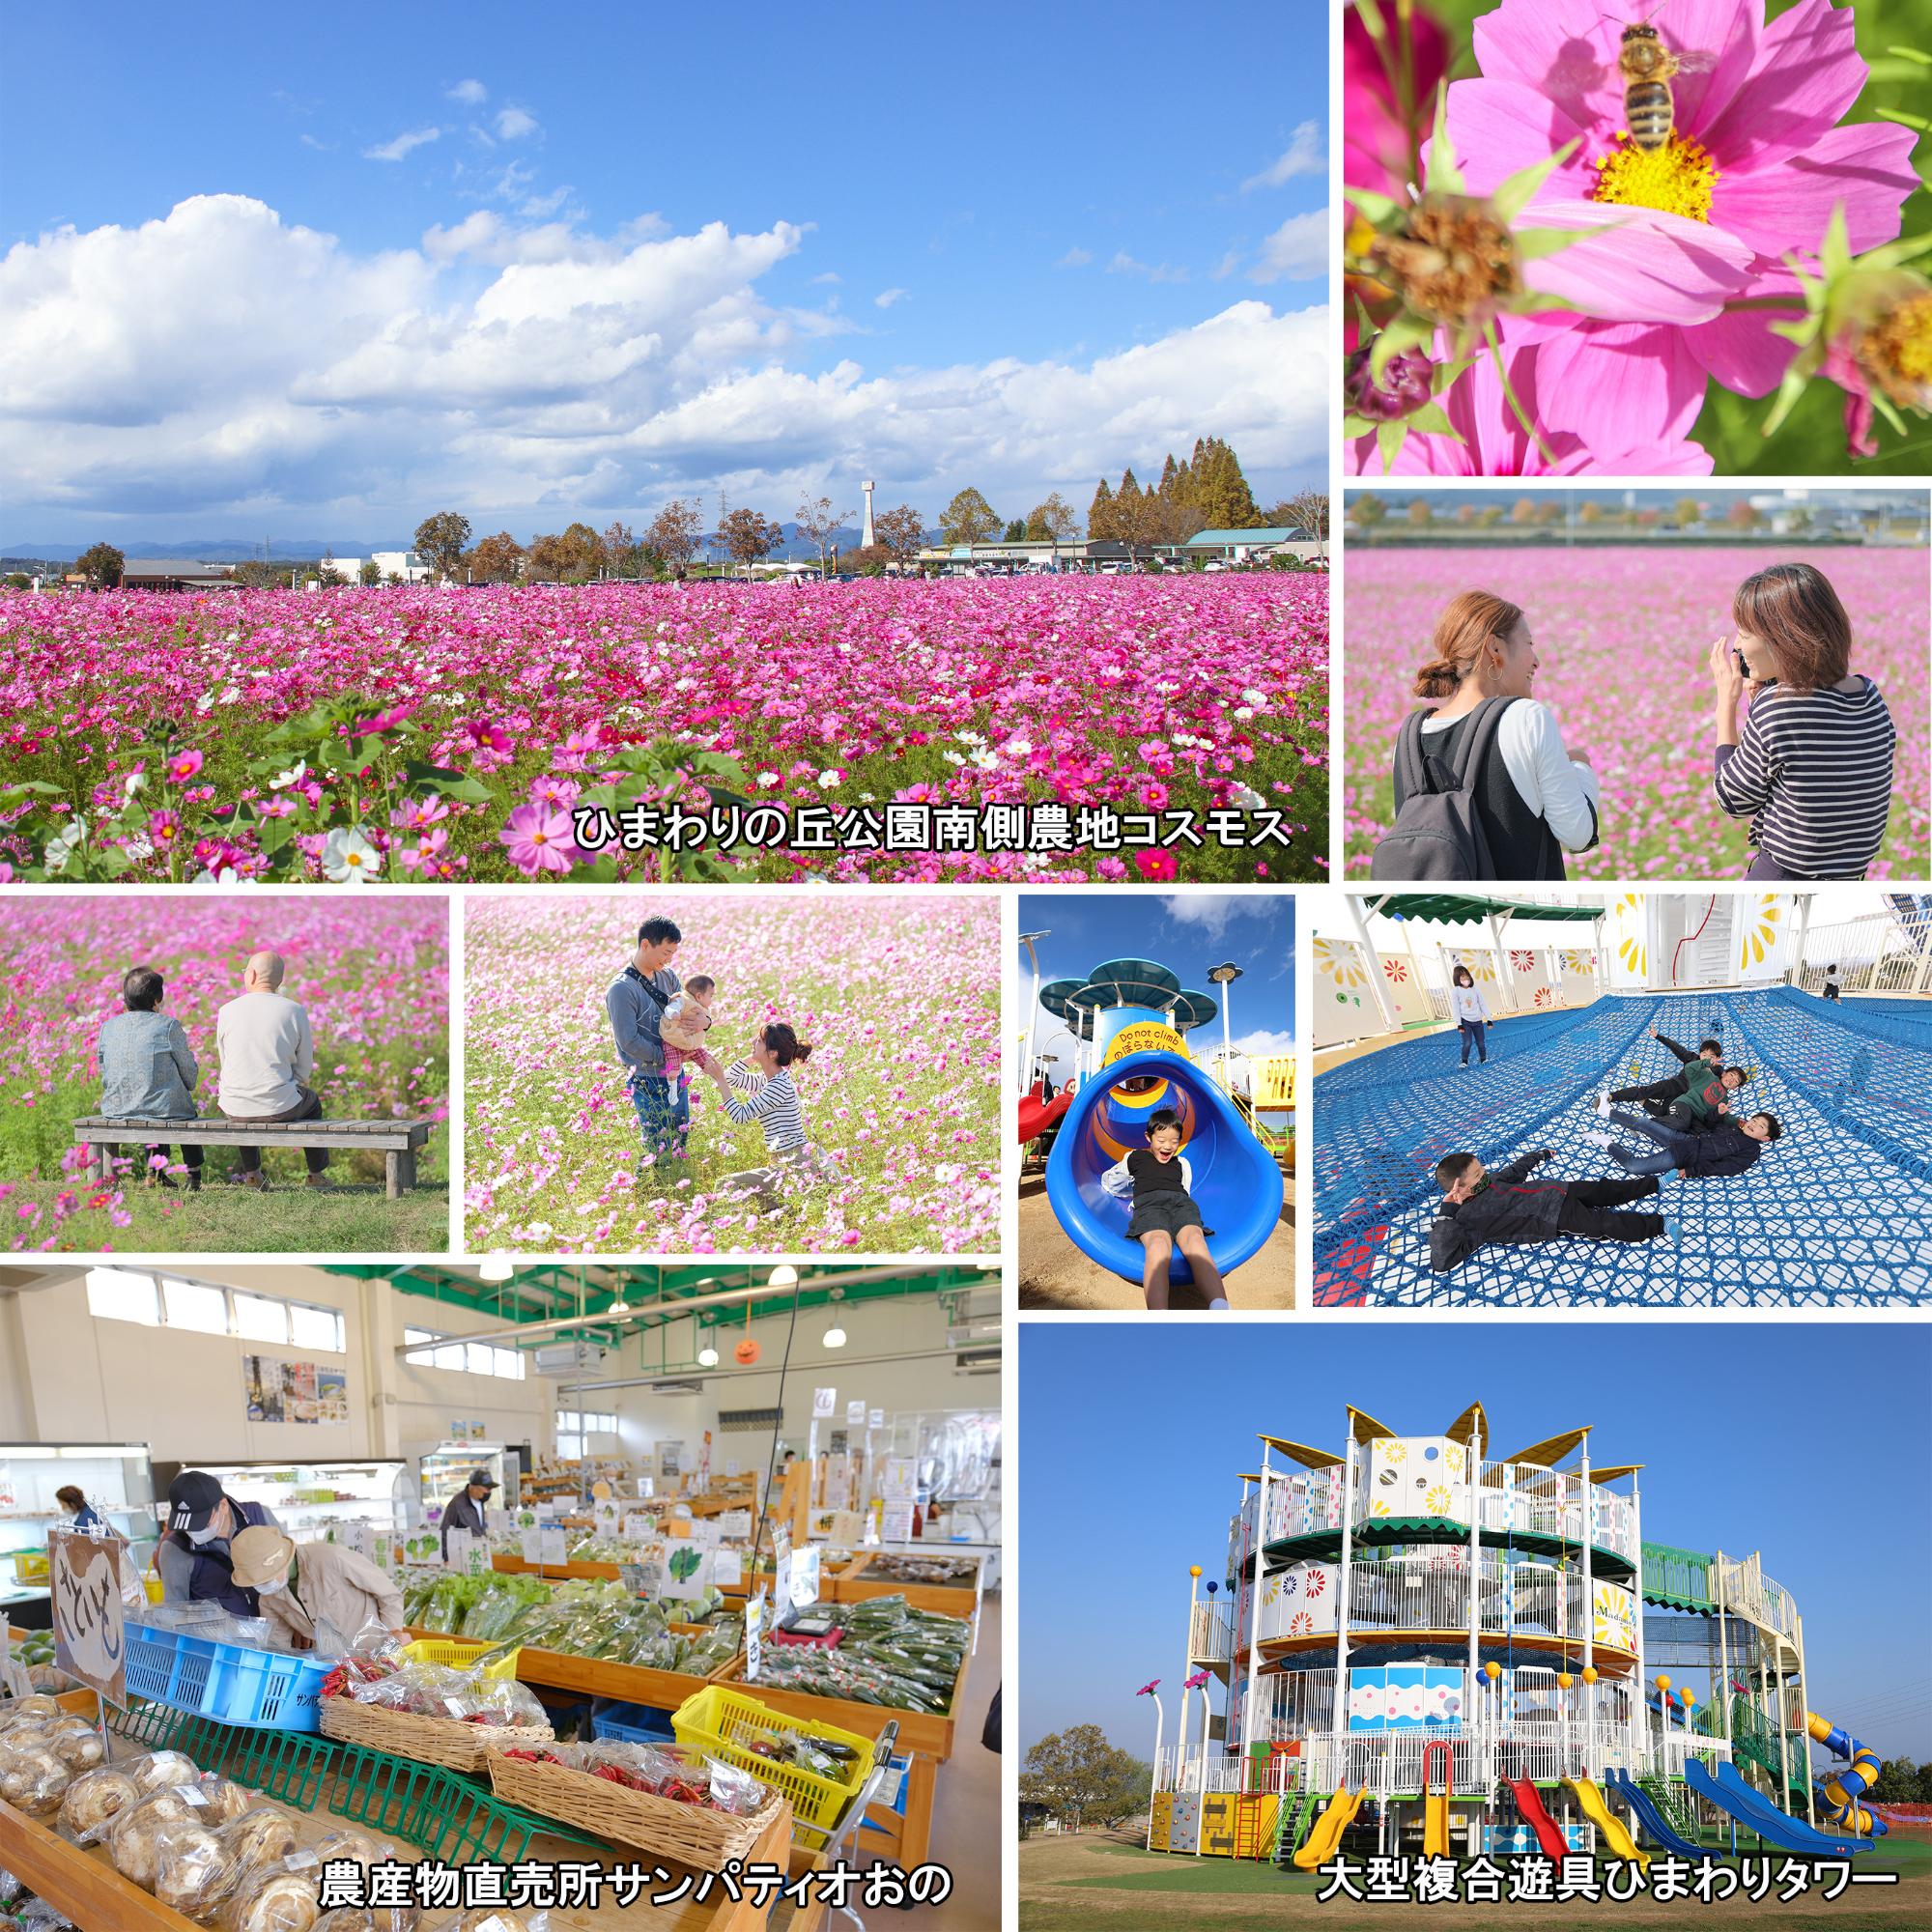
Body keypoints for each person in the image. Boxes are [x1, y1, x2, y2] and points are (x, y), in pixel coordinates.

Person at [1389, 590, 1600, 879]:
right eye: (1529, 644)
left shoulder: (1409, 736)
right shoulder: (1525, 717)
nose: (1536, 661)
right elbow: (1578, 834)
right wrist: (1579, 766)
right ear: (1495, 648)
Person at [1711, 561, 1895, 880]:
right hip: (1851, 880)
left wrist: (1726, 706)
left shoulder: (1778, 707)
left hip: (1783, 880)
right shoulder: (1869, 696)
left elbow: (1733, 800)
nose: (1737, 645)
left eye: (1743, 633)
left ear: (1783, 638)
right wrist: (1762, 710)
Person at [1430, 1150, 1673, 1272]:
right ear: (1458, 1188)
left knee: (1606, 1188)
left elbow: (1514, 1172)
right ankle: (1660, 1225)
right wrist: (1447, 1212)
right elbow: (1441, 1260)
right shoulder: (1466, 1220)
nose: (1485, 1175)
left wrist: (1538, 1156)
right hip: (1552, 1217)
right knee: (1604, 1224)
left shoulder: (1491, 1181)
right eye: (1478, 1175)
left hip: (1559, 1189)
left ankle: (1654, 1184)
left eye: (1482, 1170)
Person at [216, 950, 330, 1190]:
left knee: (244, 1103)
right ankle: (315, 1174)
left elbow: (225, 1060)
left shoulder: (227, 1010)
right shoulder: (294, 1010)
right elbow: (304, 1068)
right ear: (280, 979)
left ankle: (252, 1175)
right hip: (280, 1106)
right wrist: (289, 1084)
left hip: (233, 1106)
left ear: (253, 974)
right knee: (312, 1101)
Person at [1099, 1106, 1231, 1312]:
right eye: (1161, 1140)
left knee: (1195, 1241)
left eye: (1175, 1141)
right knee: (1159, 1245)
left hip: (1180, 1204)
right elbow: (1111, 1182)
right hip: (1150, 1205)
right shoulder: (1134, 1158)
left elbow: (1185, 1190)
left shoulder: (1182, 1163)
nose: (1168, 1146)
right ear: (1148, 1137)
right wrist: (1130, 1190)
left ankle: (1220, 1307)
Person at [96, 965, 203, 1191]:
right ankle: (193, 1176)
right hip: (161, 1108)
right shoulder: (168, 1025)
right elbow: (188, 1071)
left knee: (156, 1096)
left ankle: (154, 1174)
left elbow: (104, 1069)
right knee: (177, 1107)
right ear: (158, 998)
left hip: (117, 1106)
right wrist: (187, 1084)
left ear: (125, 998)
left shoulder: (108, 1027)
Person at [707, 1022, 838, 1201]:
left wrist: (719, 1078)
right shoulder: (768, 1081)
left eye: (760, 1040)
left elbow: (740, 1116)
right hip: (785, 1164)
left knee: (726, 1184)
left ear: (773, 1053)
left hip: (796, 1165)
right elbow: (731, 1078)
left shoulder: (779, 1086)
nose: (754, 1041)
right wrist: (754, 1057)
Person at [227, 1527, 404, 1652]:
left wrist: (394, 1633)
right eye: (256, 1582)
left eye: (266, 1578)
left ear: (282, 1563)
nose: (262, 1585)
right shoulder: (268, 1596)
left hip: (375, 1653)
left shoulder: (331, 1559)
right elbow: (277, 1642)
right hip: (332, 1668)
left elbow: (389, 1595)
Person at [606, 916, 687, 1172]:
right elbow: (628, 1040)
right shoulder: (621, 988)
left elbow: (686, 1010)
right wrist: (667, 1056)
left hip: (675, 1074)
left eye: (673, 953)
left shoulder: (668, 976)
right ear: (645, 945)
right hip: (647, 1077)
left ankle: (675, 1190)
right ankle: (648, 1194)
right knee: (656, 1147)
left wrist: (702, 1022)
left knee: (679, 1138)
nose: (669, 960)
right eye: (665, 952)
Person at [156, 1471, 281, 1616]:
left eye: (200, 1523)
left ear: (222, 1505)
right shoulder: (175, 1549)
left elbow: (290, 1567)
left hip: (278, 1629)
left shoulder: (260, 1516)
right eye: (187, 1524)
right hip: (219, 1638)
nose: (192, 1531)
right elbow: (175, 1614)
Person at [1586, 1110, 1782, 1181]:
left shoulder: (1751, 1150)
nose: (1754, 1124)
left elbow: (1725, 1168)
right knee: (1646, 1123)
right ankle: (1607, 1112)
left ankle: (1607, 1143)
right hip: (1686, 1140)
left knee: (1634, 1166)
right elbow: (1710, 1125)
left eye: (1761, 1126)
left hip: (1685, 1158)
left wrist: (1692, 1171)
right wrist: (1718, 1114)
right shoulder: (1733, 1128)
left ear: (1765, 1138)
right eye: (1755, 1119)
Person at [1597, 1029, 1722, 1120]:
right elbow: (1676, 1047)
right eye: (1704, 1055)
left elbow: (1726, 1084)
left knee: (1664, 1113)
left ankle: (1643, 1105)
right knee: (1645, 1090)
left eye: (1711, 1056)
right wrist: (1658, 1036)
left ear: (1717, 1058)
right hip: (1673, 1085)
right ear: (1700, 1054)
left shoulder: (1719, 1072)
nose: (1706, 1058)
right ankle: (1611, 1097)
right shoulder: (1692, 1058)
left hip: (1684, 1098)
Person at [659, 974, 723, 1089]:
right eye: (711, 995)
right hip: (674, 1041)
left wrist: (707, 1022)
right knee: (674, 1068)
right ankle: (672, 1090)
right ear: (698, 996)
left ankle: (720, 1079)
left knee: (707, 1060)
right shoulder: (684, 1000)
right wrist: (674, 1013)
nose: (712, 1000)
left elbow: (706, 1022)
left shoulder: (701, 1007)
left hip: (691, 1044)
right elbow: (672, 1007)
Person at [438, 1467, 497, 1559]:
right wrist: (446, 1558)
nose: (489, 1492)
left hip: (476, 1555)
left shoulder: (480, 1501)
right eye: (487, 1489)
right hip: (461, 1557)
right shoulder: (457, 1504)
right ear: (473, 1488)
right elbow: (445, 1532)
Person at [1449, 964, 1491, 1068]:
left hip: (1477, 1020)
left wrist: (1489, 1019)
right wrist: (1459, 1024)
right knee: (1467, 1042)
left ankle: (1483, 1058)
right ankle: (1464, 1061)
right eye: (1462, 977)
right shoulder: (1455, 991)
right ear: (1457, 978)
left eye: (1467, 976)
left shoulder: (1475, 990)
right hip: (1465, 1021)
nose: (1465, 979)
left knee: (1481, 1042)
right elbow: (1456, 1008)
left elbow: (1482, 1004)